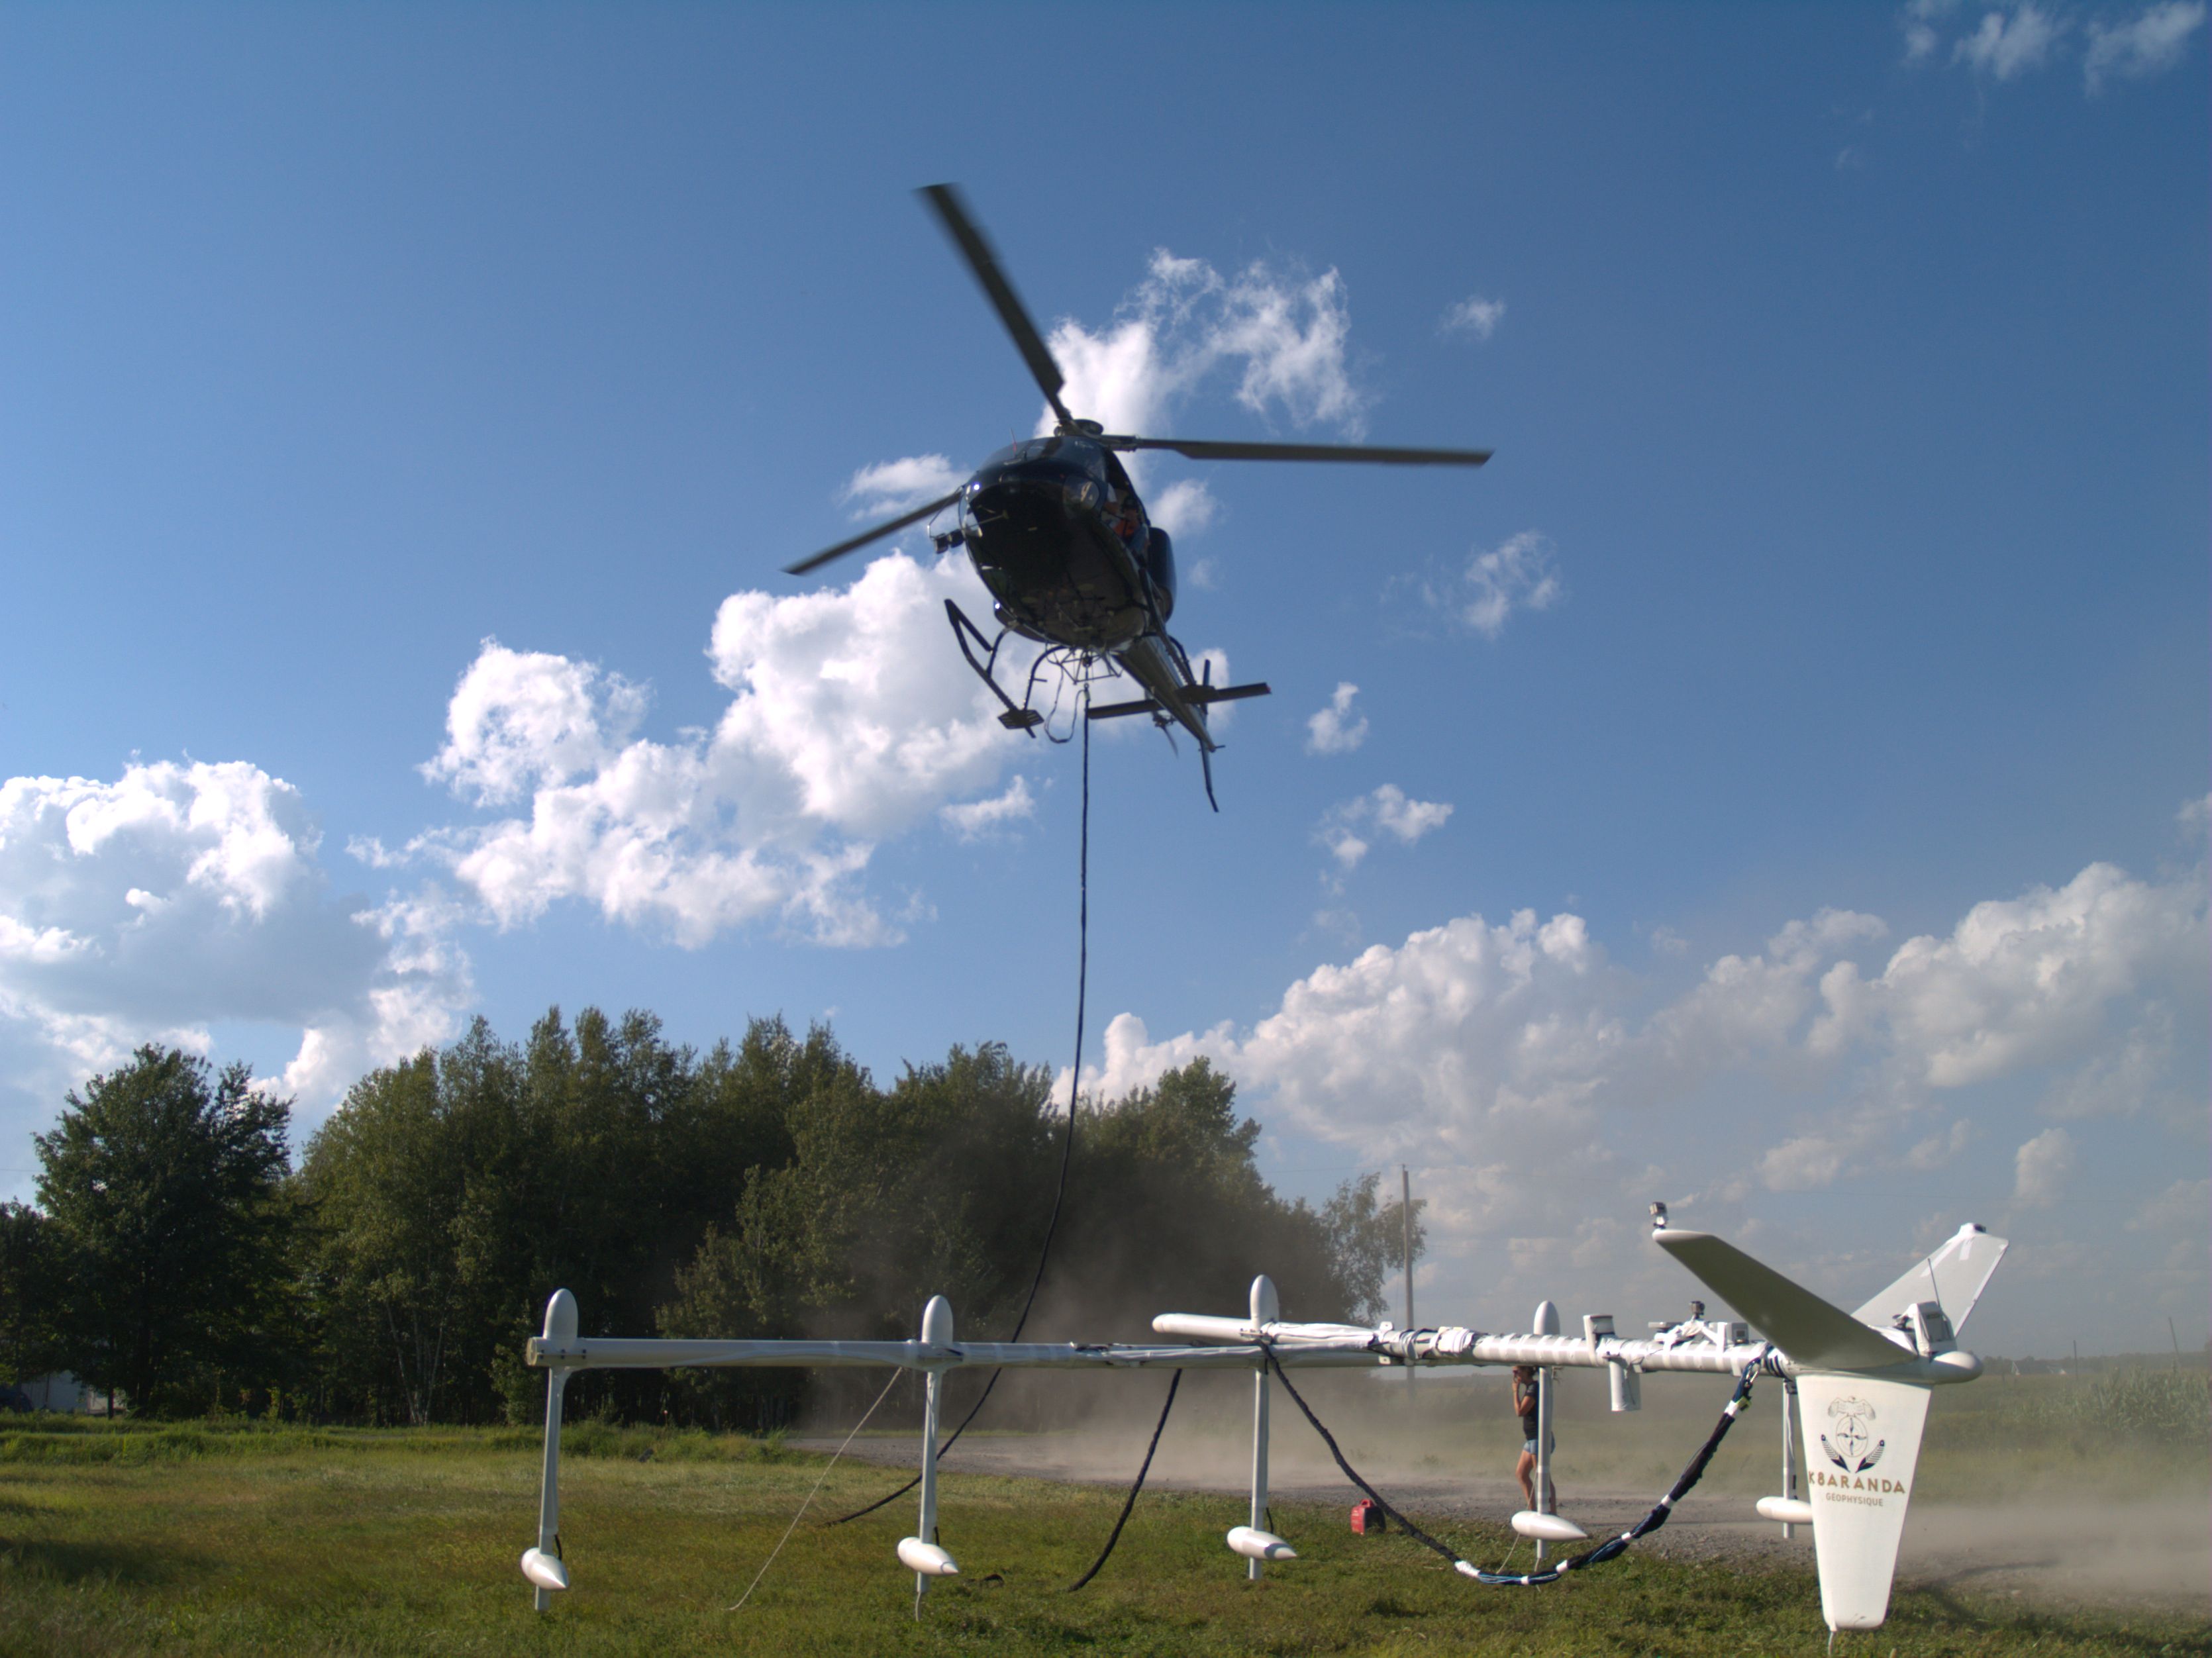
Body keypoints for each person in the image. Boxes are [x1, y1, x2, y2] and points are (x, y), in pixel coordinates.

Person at [1512, 1365, 1550, 1509]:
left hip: (1538, 1438)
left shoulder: (1534, 1388)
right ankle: (1532, 1509)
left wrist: (1515, 1392)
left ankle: (1550, 1511)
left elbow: (1520, 1411)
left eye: (1517, 1371)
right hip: (1531, 1439)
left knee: (1542, 1477)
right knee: (1521, 1474)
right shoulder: (1531, 1388)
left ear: (1526, 1371)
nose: (1515, 1375)